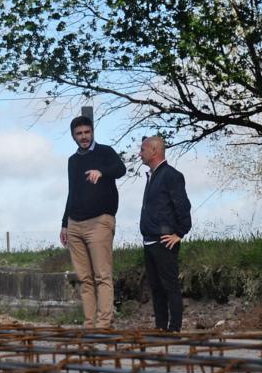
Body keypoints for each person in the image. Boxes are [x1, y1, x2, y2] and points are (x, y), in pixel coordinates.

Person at [61, 115, 126, 329]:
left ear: (92, 132)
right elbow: (72, 193)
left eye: (87, 132)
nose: (84, 137)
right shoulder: (72, 161)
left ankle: (104, 323)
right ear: (73, 136)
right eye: (79, 134)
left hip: (99, 222)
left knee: (102, 275)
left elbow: (121, 169)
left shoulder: (105, 152)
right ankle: (89, 324)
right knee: (84, 278)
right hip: (75, 223)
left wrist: (102, 171)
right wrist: (64, 224)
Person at [139, 136, 192, 332]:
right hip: (149, 241)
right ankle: (161, 327)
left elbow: (183, 206)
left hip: (165, 241)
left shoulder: (171, 175)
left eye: (143, 149)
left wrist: (179, 233)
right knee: (156, 288)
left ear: (154, 151)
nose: (139, 154)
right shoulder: (152, 176)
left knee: (170, 287)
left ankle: (174, 328)